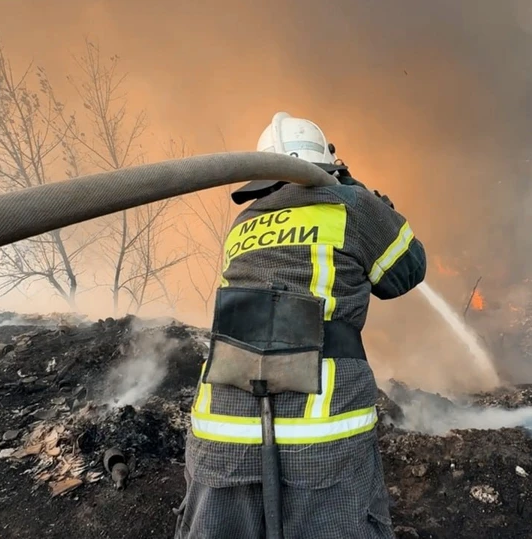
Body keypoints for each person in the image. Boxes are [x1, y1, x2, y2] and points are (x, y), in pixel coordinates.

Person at [174, 112, 426, 538]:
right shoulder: (352, 206)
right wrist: (374, 204)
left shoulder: (243, 224)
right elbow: (408, 271)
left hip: (221, 434)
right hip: (322, 439)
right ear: (327, 163)